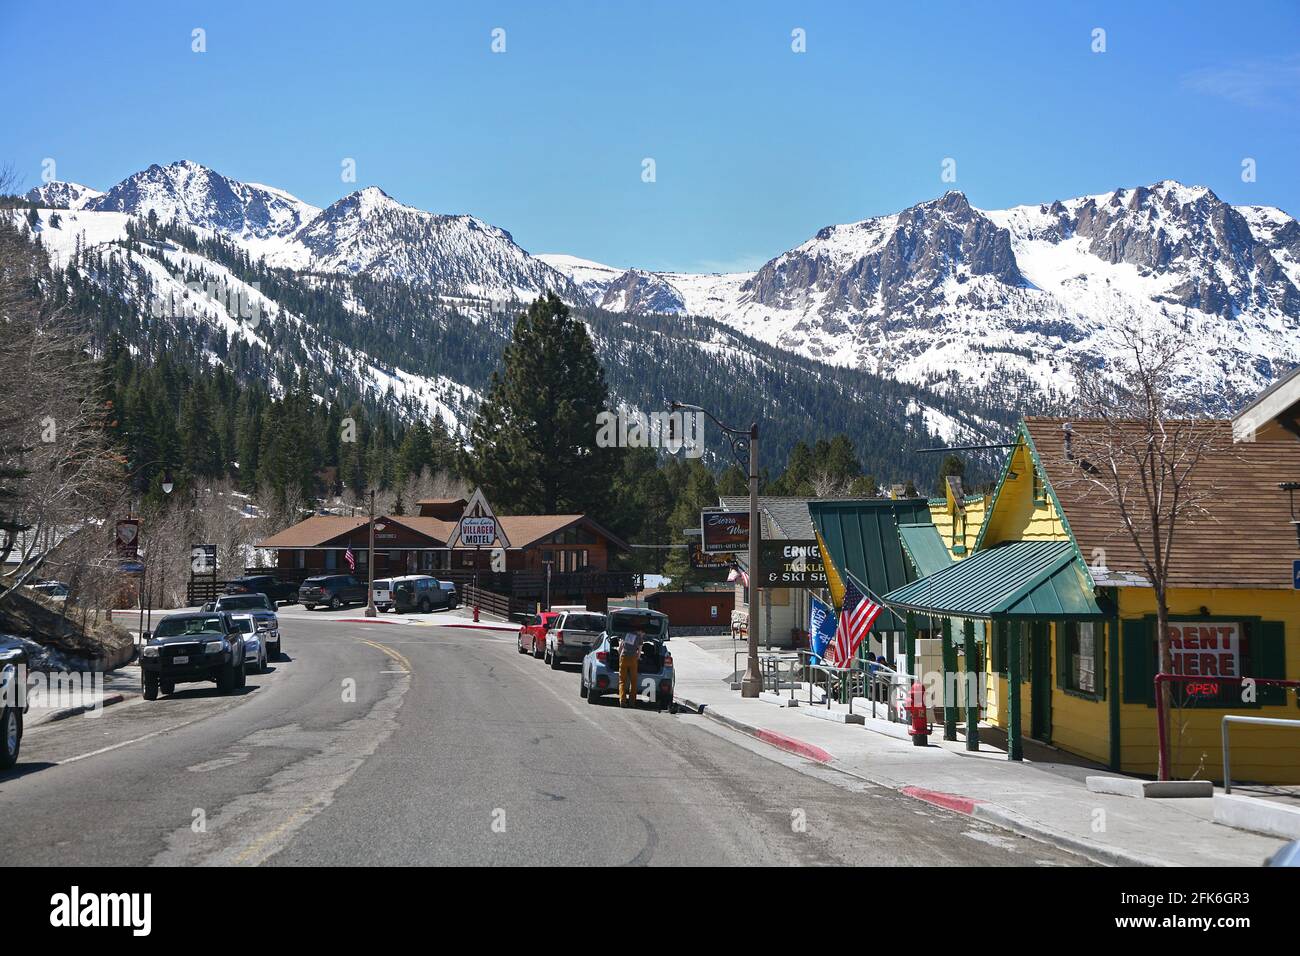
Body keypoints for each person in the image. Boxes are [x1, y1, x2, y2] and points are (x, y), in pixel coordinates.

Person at [618, 623, 643, 707]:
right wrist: (638, 658)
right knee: (633, 681)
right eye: (643, 633)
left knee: (622, 680)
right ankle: (632, 702)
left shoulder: (626, 634)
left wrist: (620, 657)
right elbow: (639, 651)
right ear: (640, 631)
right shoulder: (639, 637)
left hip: (623, 657)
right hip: (633, 659)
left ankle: (622, 700)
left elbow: (620, 648)